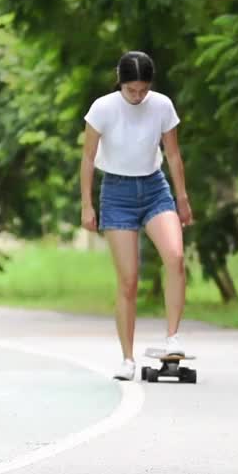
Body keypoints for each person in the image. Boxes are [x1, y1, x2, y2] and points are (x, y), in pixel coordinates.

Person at [80, 51, 193, 381]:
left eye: (144, 90)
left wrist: (182, 198)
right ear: (120, 82)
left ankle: (172, 337)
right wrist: (87, 205)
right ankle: (127, 359)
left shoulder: (161, 105)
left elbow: (173, 154)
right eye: (132, 90)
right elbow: (87, 159)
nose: (138, 96)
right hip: (116, 194)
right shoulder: (103, 108)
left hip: (155, 189)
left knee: (175, 256)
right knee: (128, 281)